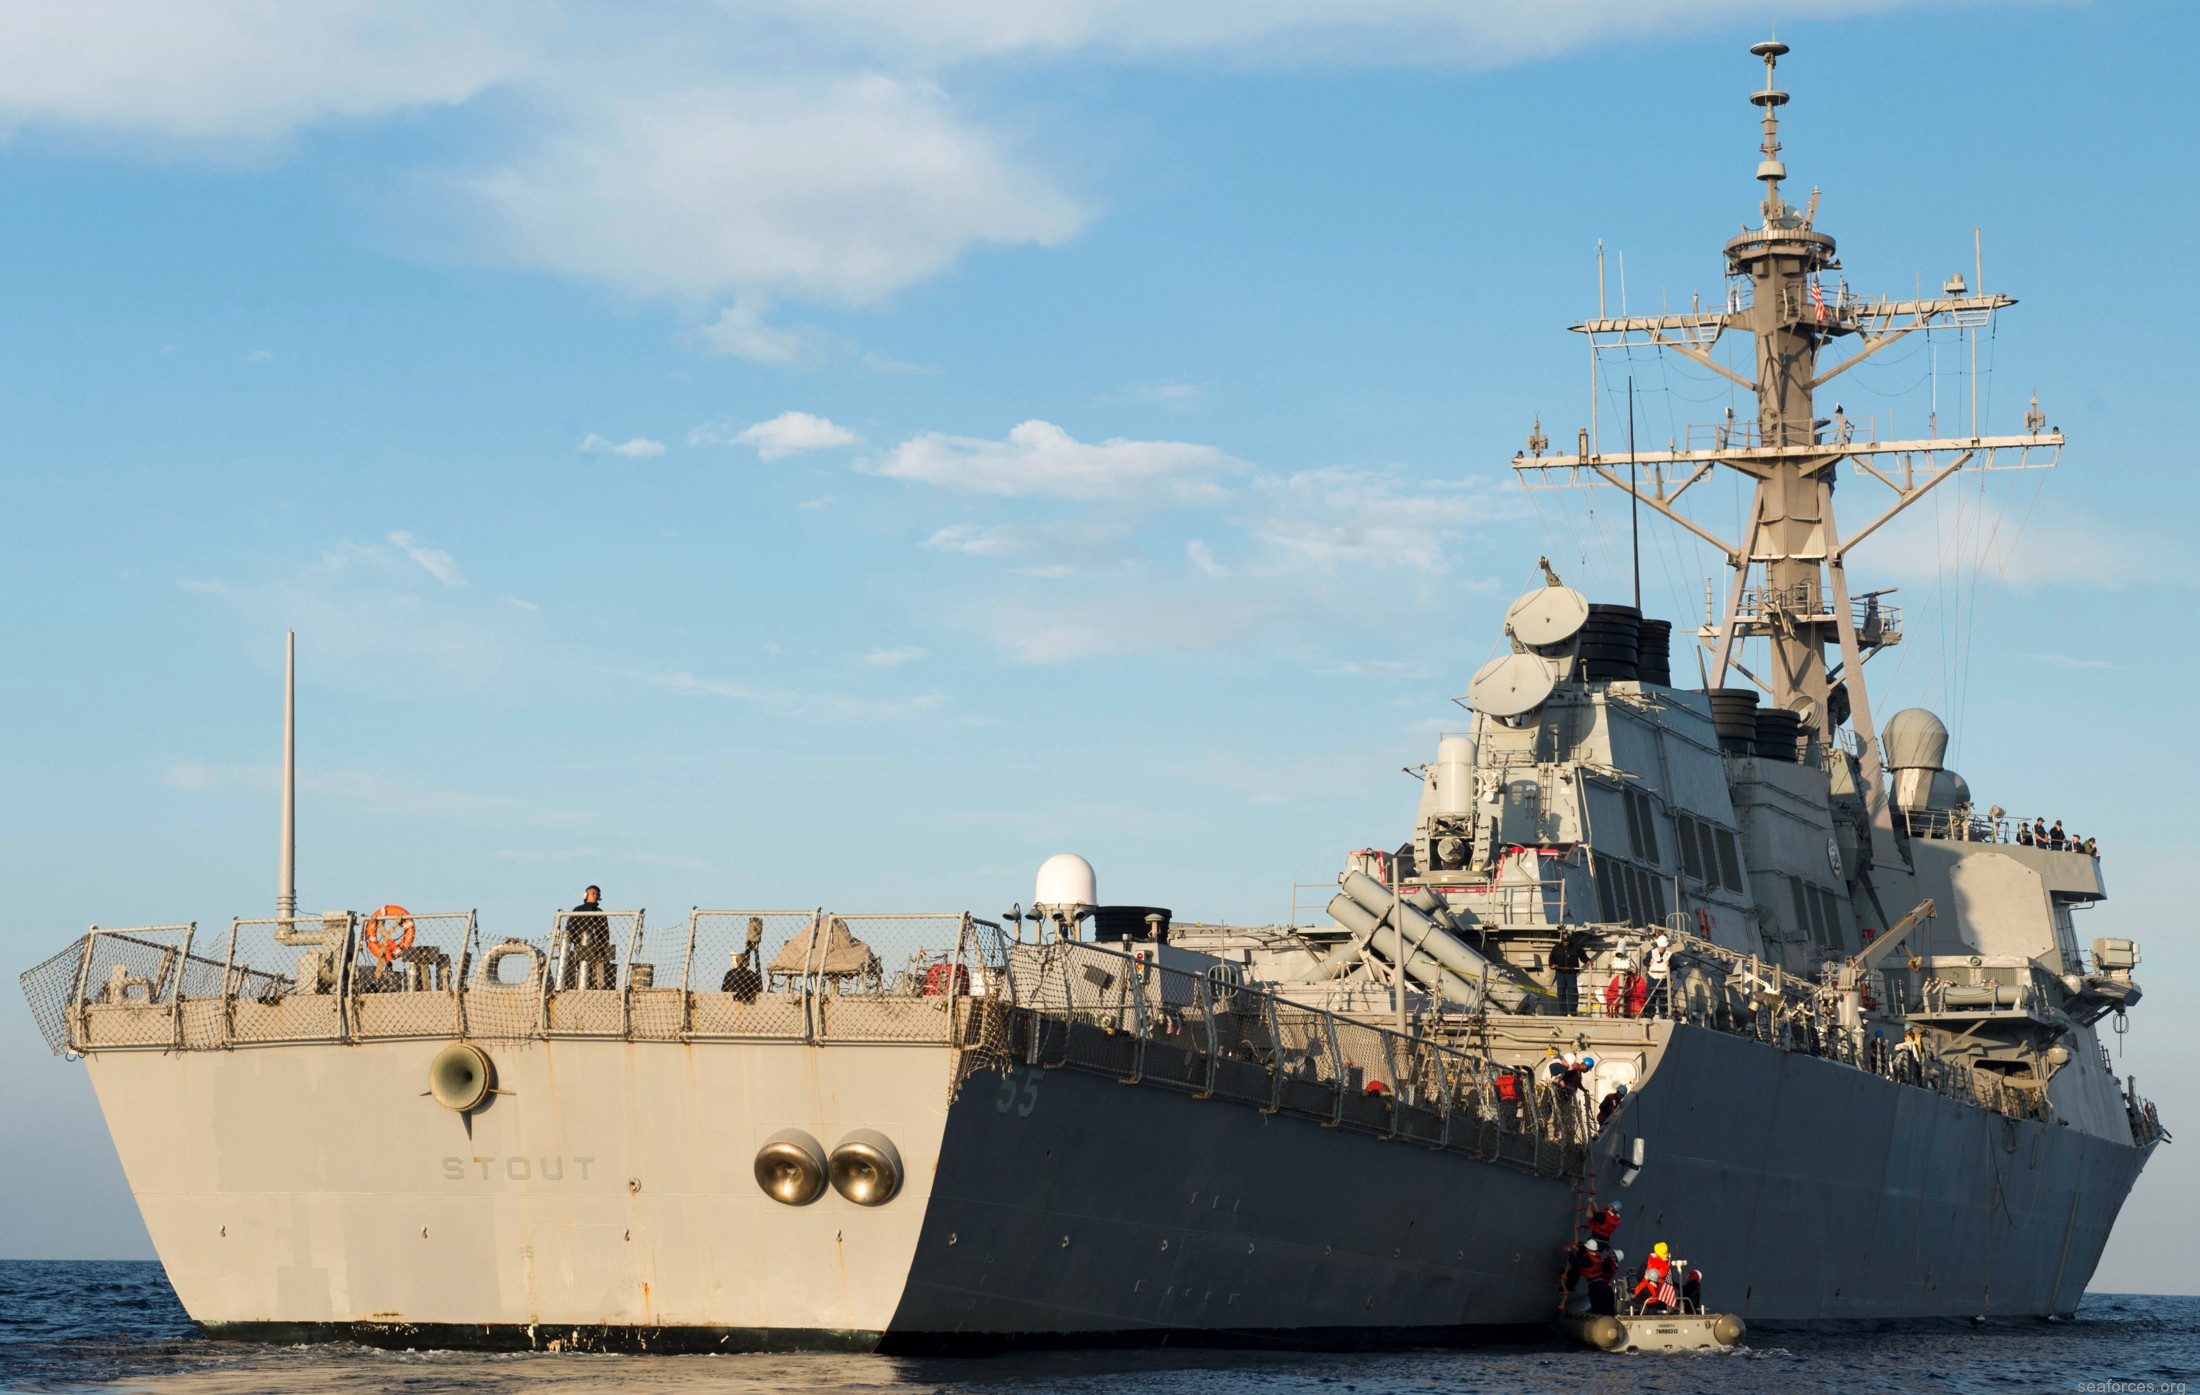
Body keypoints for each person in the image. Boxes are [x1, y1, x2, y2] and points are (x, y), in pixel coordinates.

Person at [564, 884, 614, 989]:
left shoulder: (600, 912)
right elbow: (570, 929)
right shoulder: (578, 910)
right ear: (586, 895)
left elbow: (605, 932)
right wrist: (571, 943)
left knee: (598, 975)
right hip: (581, 947)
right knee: (583, 972)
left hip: (597, 948)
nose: (595, 896)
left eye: (597, 894)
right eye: (593, 893)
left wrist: (604, 946)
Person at [1551, 929, 1588, 1016]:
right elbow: (1551, 958)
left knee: (1572, 993)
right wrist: (1552, 965)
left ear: (1569, 940)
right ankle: (1563, 1012)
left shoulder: (1575, 947)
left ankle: (1572, 1011)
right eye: (1564, 941)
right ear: (1562, 941)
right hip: (1560, 973)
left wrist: (1588, 961)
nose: (1566, 943)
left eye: (1567, 941)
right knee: (1561, 993)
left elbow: (1582, 956)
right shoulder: (1557, 948)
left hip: (1571, 973)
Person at [1633, 1241, 1675, 1312]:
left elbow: (1639, 1274)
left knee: (1638, 1304)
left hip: (1646, 1291)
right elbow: (1670, 1280)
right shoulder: (1667, 1264)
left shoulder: (1648, 1260)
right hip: (1660, 1293)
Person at [1644, 934, 1674, 1018]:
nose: (1661, 948)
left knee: (1664, 998)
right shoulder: (1652, 952)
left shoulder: (1670, 955)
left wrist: (1669, 965)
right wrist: (1649, 962)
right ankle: (1649, 1015)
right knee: (1650, 998)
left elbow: (1675, 965)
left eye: (1663, 946)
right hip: (1652, 978)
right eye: (1660, 946)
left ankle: (1664, 1016)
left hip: (1664, 979)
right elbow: (1645, 961)